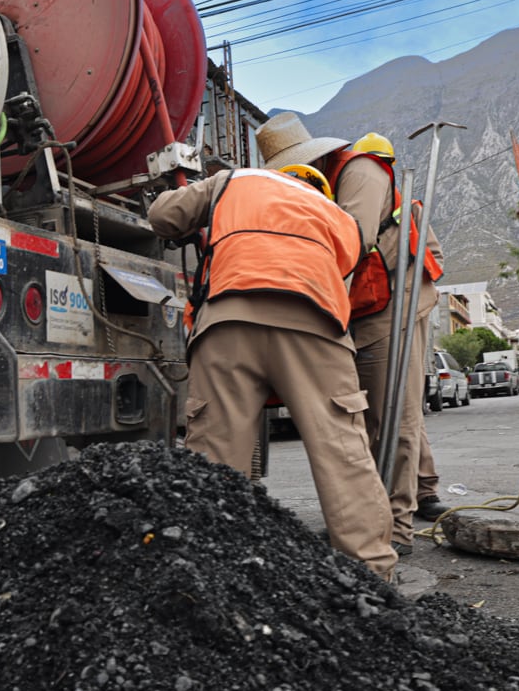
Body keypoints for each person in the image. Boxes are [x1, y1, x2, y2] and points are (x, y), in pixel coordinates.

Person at [149, 163, 397, 580]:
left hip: (229, 318)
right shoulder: (335, 212)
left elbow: (162, 215)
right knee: (342, 450)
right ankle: (372, 573)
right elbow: (350, 260)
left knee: (216, 453)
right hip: (316, 321)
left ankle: (214, 576)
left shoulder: (234, 179)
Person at [258, 112, 446, 553]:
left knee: (391, 415)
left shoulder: (358, 170)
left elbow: (351, 242)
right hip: (366, 304)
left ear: (312, 161)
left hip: (394, 301)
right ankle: (417, 494)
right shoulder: (327, 184)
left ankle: (392, 529)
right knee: (387, 408)